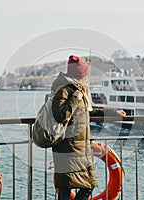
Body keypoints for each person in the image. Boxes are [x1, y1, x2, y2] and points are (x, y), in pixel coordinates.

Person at [51, 55, 126, 200]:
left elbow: (88, 111)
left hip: (78, 145)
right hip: (68, 145)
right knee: (77, 186)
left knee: (74, 186)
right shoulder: (64, 88)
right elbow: (60, 115)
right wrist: (76, 98)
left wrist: (113, 112)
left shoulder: (75, 87)